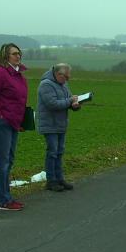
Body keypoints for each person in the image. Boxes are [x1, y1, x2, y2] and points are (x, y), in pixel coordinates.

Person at [0, 43, 29, 211]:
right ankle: (3, 201)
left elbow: (19, 102)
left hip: (12, 124)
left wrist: (20, 121)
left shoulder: (19, 76)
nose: (18, 56)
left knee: (8, 161)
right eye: (14, 54)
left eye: (19, 53)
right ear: (5, 56)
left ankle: (7, 197)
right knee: (2, 162)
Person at [38, 63, 81, 192]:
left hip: (61, 124)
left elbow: (68, 100)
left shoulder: (63, 84)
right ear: (58, 74)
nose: (67, 80)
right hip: (49, 124)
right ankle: (51, 181)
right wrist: (69, 101)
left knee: (59, 152)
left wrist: (75, 104)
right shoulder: (46, 85)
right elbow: (52, 104)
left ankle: (60, 178)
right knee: (52, 152)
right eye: (66, 77)